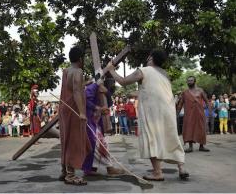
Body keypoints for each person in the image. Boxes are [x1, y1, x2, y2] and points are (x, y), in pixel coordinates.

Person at [107, 49, 189, 181]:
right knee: (171, 137)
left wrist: (111, 70)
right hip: (167, 109)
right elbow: (151, 89)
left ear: (151, 58)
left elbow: (123, 81)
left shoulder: (144, 70)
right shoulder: (165, 74)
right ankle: (181, 167)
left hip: (152, 111)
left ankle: (158, 173)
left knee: (152, 139)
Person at [58, 46, 91, 185]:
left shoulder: (66, 71)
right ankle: (70, 176)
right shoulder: (78, 71)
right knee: (74, 141)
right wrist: (82, 112)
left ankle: (64, 171)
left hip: (65, 109)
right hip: (74, 111)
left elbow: (73, 87)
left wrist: (86, 83)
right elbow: (77, 91)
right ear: (80, 58)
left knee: (65, 140)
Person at [82, 80, 125, 176]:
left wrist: (107, 93)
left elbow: (108, 104)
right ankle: (110, 168)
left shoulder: (103, 91)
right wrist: (97, 108)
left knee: (96, 146)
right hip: (89, 121)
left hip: (96, 122)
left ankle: (90, 169)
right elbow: (86, 100)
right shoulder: (92, 87)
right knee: (101, 145)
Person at [177, 76, 211, 152]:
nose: (189, 82)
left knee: (201, 128)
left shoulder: (200, 90)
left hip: (199, 113)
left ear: (194, 81)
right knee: (189, 129)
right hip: (189, 114)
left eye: (191, 80)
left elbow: (207, 101)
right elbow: (180, 103)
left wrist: (210, 111)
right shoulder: (185, 92)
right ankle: (190, 147)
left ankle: (201, 146)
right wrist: (177, 113)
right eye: (188, 81)